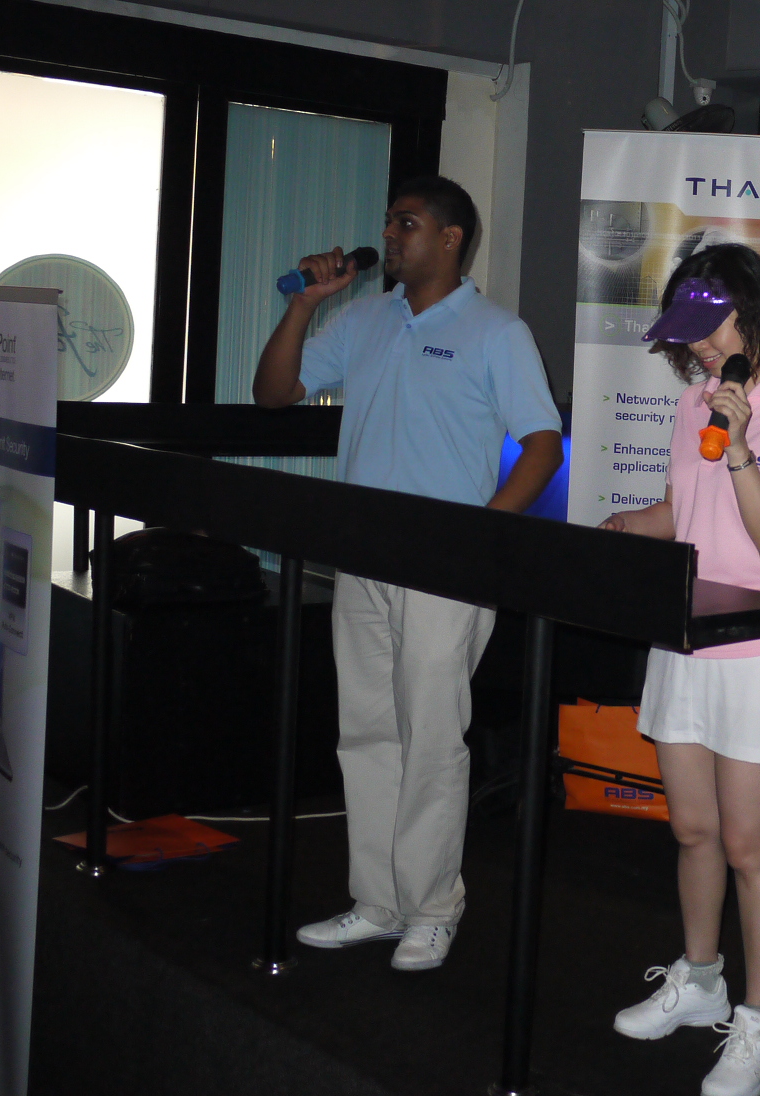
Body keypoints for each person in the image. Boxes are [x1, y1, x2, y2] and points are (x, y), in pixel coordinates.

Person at [251, 175, 563, 972]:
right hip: (362, 556)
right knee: (366, 732)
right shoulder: (365, 319)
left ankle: (432, 906)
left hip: (445, 566)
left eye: (407, 223)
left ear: (451, 238)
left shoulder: (497, 331)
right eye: (389, 222)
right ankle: (378, 901)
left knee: (430, 736)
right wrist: (303, 304)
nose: (389, 235)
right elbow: (274, 393)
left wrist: (479, 535)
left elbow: (542, 445)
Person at [598, 243, 760, 1096]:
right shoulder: (690, 403)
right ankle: (700, 980)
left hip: (759, 653)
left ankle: (758, 1025)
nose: (698, 347)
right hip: (685, 639)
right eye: (687, 332)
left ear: (755, 314)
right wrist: (631, 524)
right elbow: (684, 511)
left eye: (711, 327)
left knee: (746, 845)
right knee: (692, 830)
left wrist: (738, 446)